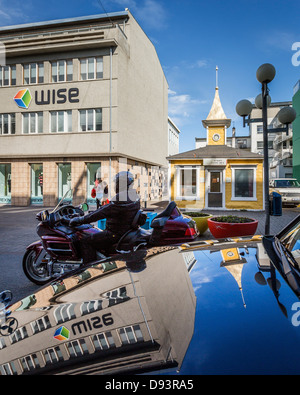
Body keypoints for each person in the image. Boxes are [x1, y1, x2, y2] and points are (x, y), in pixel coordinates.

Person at [70, 171, 140, 264]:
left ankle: (88, 269)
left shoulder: (121, 197)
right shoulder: (134, 195)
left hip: (115, 233)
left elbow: (102, 212)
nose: (115, 185)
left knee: (85, 242)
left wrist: (80, 219)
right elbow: (106, 208)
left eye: (117, 183)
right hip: (126, 231)